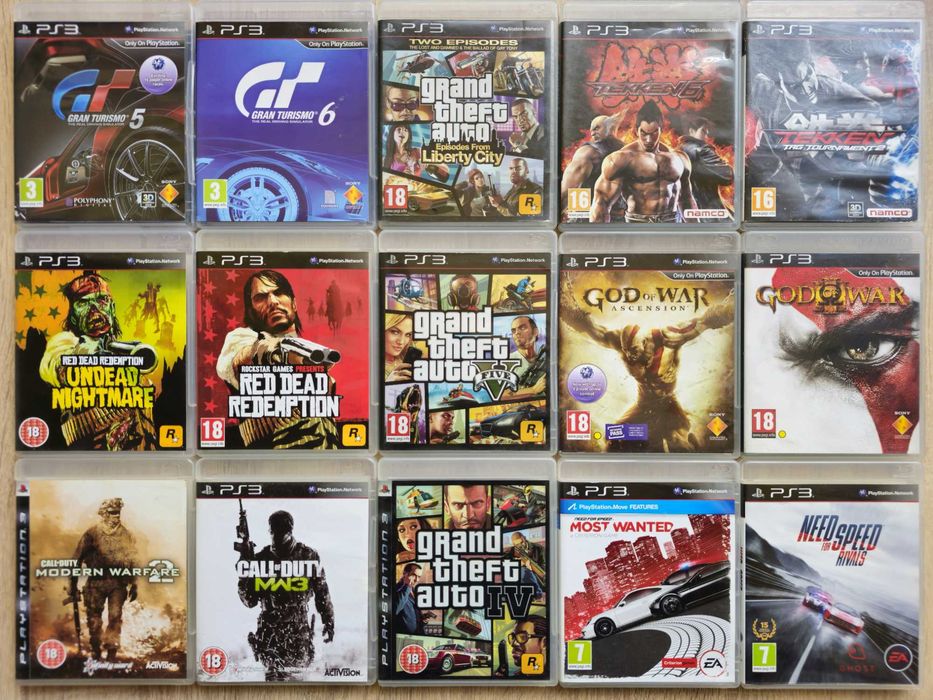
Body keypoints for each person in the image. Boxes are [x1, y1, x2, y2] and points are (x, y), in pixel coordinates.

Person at [561, 281, 734, 451]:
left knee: (676, 442)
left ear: (644, 342)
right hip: (643, 405)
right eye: (629, 353)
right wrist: (565, 306)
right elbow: (589, 327)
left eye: (635, 351)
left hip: (668, 406)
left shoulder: (670, 337)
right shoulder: (617, 341)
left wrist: (731, 307)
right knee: (613, 439)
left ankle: (689, 446)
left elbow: (707, 320)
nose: (632, 357)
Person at [216, 270, 340, 449]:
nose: (273, 301)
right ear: (251, 310)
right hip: (274, 453)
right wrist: (275, 351)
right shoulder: (241, 339)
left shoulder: (309, 352)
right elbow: (240, 360)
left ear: (294, 304)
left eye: (279, 293)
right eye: (261, 297)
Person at [39, 271, 158, 450]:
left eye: (102, 300)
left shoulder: (123, 350)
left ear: (112, 307)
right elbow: (53, 368)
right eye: (83, 303)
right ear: (72, 314)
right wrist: (87, 353)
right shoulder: (65, 342)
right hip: (91, 448)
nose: (94, 308)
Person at [238, 510, 334, 681]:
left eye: (281, 530)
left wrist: (328, 621)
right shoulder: (261, 559)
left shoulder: (308, 556)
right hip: (270, 636)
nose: (276, 534)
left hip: (297, 634)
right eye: (274, 530)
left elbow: (322, 592)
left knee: (296, 682)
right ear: (270, 530)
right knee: (274, 684)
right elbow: (249, 601)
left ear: (290, 530)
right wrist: (244, 566)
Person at [589, 101, 696, 223]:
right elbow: (601, 203)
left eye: (654, 133)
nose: (649, 140)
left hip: (671, 221)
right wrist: (599, 234)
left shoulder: (679, 158)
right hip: (637, 223)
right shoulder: (620, 160)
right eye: (643, 133)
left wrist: (697, 231)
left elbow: (687, 199)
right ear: (636, 130)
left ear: (661, 130)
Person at [71, 498, 138, 661]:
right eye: (113, 512)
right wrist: (72, 585)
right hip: (96, 582)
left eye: (118, 512)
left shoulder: (127, 535)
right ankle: (96, 649)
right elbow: (77, 559)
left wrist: (134, 584)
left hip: (118, 583)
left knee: (115, 616)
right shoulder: (92, 533)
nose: (116, 516)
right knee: (94, 619)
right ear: (104, 514)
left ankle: (111, 651)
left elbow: (133, 560)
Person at [560, 114, 624, 218]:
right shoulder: (588, 153)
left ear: (611, 128)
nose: (593, 133)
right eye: (591, 130)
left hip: (617, 218)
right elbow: (567, 190)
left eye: (597, 128)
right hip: (590, 217)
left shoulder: (589, 152)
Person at [679, 114, 732, 213]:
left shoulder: (678, 150)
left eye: (708, 134)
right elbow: (727, 175)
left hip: (686, 209)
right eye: (703, 131)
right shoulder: (702, 150)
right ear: (692, 131)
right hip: (707, 208)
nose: (707, 137)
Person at [504, 316, 546, 400]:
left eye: (522, 328)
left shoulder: (544, 357)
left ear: (535, 332)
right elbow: (501, 395)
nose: (517, 333)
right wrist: (533, 390)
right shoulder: (508, 361)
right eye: (513, 331)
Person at [395, 563, 425, 634]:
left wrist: (423, 620)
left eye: (419, 577)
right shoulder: (396, 589)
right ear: (404, 574)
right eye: (413, 575)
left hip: (418, 635)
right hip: (403, 636)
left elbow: (413, 617)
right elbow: (395, 609)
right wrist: (407, 586)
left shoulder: (414, 591)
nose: (416, 579)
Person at [384, 313, 415, 381]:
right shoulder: (368, 364)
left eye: (408, 334)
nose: (401, 342)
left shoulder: (406, 363)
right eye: (395, 332)